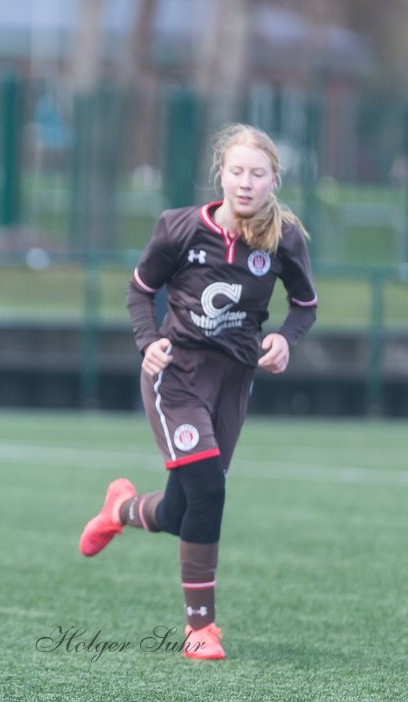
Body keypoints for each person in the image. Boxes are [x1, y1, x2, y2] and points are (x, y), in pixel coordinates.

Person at [77, 123, 318, 661]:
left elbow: (304, 305)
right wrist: (147, 343)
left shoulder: (285, 238)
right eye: (237, 171)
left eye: (258, 173)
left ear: (275, 179)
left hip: (233, 381)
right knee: (209, 490)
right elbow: (140, 291)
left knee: (187, 509)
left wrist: (284, 338)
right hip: (176, 375)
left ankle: (121, 509)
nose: (246, 183)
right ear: (221, 175)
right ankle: (200, 629)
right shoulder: (179, 228)